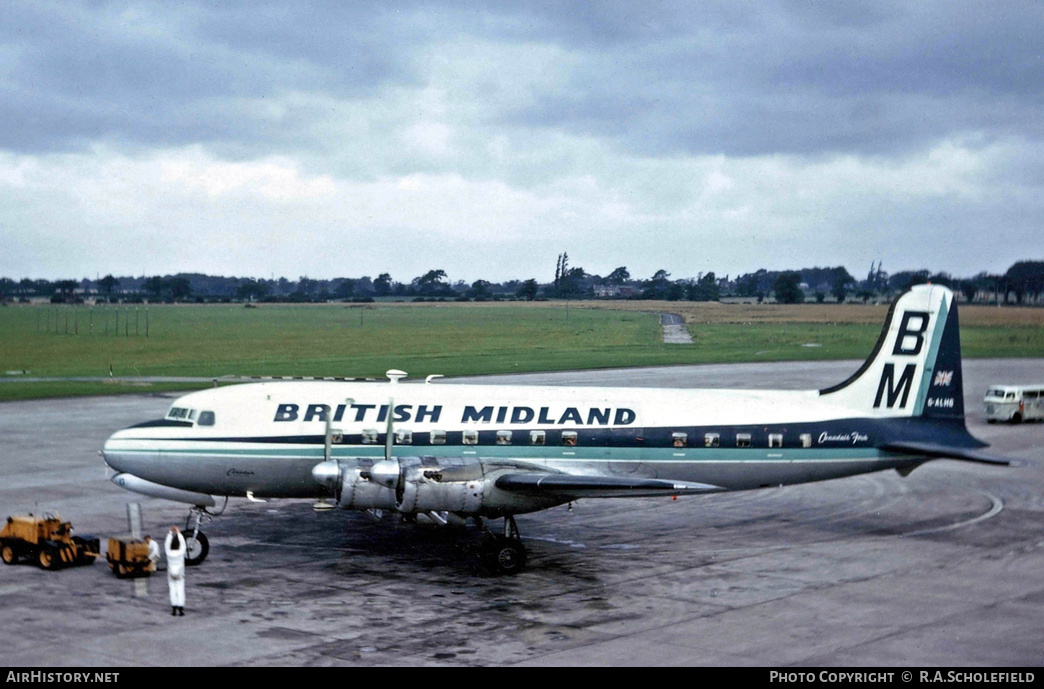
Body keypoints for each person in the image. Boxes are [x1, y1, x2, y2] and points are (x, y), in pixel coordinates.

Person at [164, 527, 186, 616]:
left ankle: (173, 609)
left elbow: (166, 544)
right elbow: (183, 544)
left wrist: (170, 532)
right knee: (180, 590)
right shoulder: (181, 552)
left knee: (172, 589)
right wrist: (178, 532)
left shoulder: (168, 553)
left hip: (171, 574)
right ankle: (180, 609)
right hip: (180, 574)